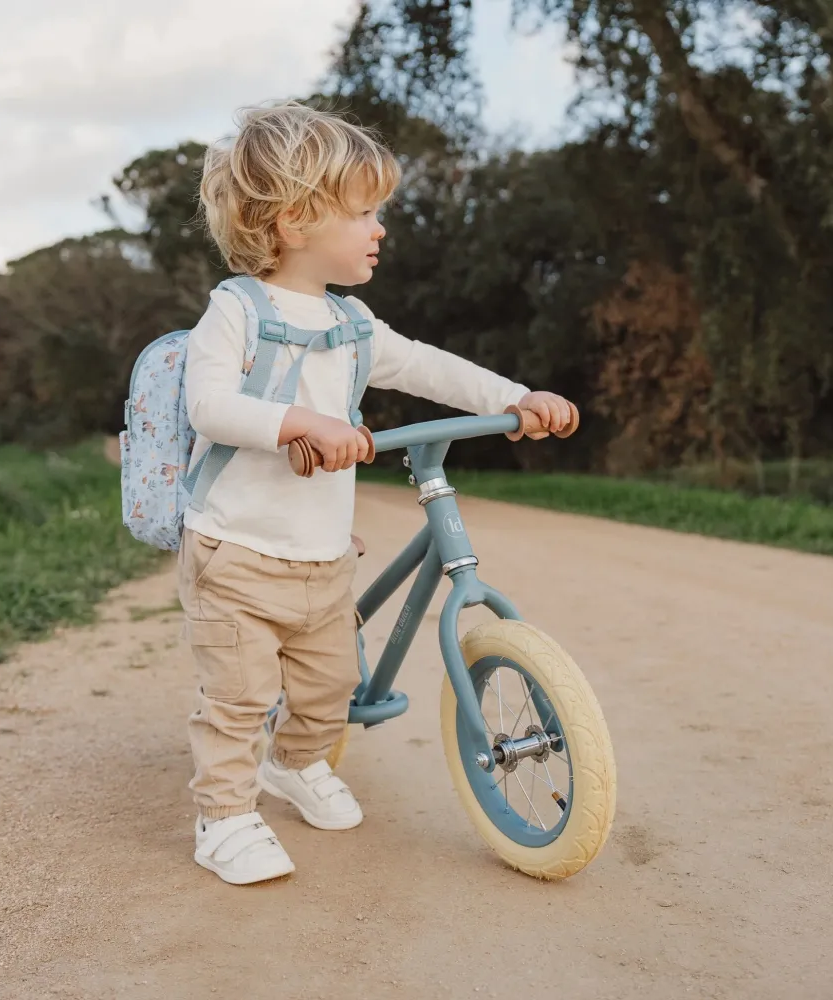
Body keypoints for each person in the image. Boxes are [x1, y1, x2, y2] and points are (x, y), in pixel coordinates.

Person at [180, 100, 575, 885]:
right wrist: (297, 420)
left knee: (330, 686)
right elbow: (209, 406)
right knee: (238, 697)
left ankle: (295, 766)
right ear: (294, 221)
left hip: (322, 556)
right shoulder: (237, 312)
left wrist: (519, 394)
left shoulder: (354, 324)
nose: (378, 226)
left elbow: (429, 367)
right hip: (236, 549)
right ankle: (222, 818)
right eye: (362, 210)